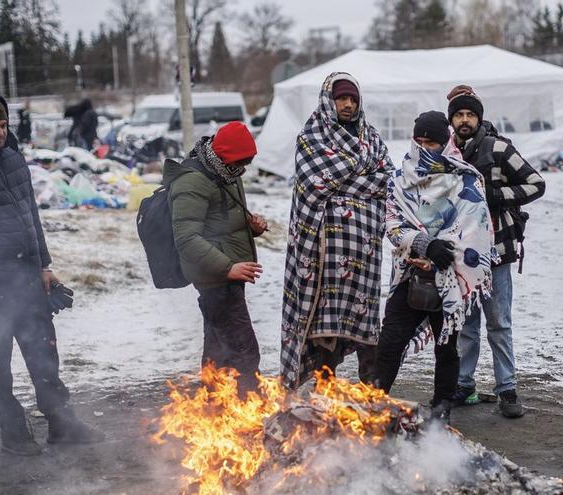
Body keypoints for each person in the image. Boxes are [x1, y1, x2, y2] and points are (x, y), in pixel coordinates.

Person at [0, 90, 103, 456]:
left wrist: (44, 265)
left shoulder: (14, 159)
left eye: (3, 125)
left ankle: (61, 423)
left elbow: (31, 217)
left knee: (44, 351)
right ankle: (13, 433)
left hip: (27, 277)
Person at [376, 110, 497, 424]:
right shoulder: (401, 178)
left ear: (446, 143)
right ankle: (373, 399)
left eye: (432, 142)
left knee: (447, 346)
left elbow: (476, 228)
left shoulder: (465, 178)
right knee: (390, 340)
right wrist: (422, 243)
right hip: (409, 273)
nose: (425, 147)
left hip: (450, 277)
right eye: (420, 141)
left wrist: (444, 250)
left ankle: (442, 405)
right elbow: (391, 222)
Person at [279, 72, 391, 389]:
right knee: (325, 326)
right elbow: (314, 185)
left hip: (364, 256)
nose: (348, 104)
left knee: (366, 325)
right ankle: (322, 390)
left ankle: (373, 395)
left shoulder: (372, 139)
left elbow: (385, 181)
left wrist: (340, 189)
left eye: (353, 99)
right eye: (342, 98)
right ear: (329, 100)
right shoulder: (311, 138)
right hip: (323, 259)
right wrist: (358, 184)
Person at [445, 85, 545, 417]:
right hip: (461, 255)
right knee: (466, 324)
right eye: (458, 114)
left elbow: (536, 183)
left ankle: (508, 389)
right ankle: (464, 384)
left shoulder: (499, 148)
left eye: (470, 114)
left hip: (497, 250)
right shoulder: (447, 154)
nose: (464, 120)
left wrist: (497, 195)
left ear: (479, 118)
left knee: (499, 322)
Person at [164, 121, 267, 393]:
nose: (243, 168)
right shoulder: (192, 181)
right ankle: (251, 405)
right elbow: (186, 239)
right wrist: (227, 268)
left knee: (218, 349)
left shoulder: (226, 172)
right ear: (224, 156)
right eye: (240, 162)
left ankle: (214, 407)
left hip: (226, 274)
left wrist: (251, 226)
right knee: (244, 350)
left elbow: (222, 221)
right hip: (215, 278)